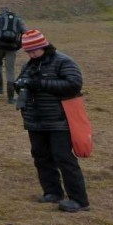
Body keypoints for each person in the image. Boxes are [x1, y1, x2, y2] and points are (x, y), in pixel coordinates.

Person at [14, 29, 89, 212]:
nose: (31, 54)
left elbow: (74, 85)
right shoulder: (29, 65)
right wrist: (20, 86)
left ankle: (79, 200)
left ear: (44, 46)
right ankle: (52, 192)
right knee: (41, 156)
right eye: (28, 52)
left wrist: (41, 84)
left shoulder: (63, 61)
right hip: (35, 120)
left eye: (34, 50)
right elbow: (23, 83)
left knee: (63, 158)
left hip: (59, 119)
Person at [0, 6, 27, 103]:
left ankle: (0, 89)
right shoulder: (18, 19)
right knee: (10, 71)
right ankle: (11, 98)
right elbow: (26, 32)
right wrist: (19, 44)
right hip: (12, 48)